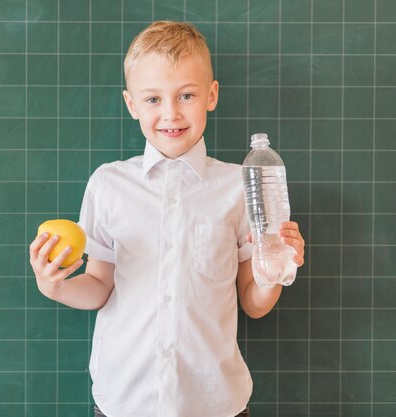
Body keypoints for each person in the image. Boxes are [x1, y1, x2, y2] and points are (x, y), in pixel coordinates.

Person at [29, 21, 305, 417]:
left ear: (211, 95)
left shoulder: (238, 186)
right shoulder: (109, 184)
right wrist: (53, 286)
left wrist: (274, 269)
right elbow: (99, 288)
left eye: (186, 95)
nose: (171, 113)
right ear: (131, 104)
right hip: (124, 402)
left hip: (215, 404)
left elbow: (254, 303)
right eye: (153, 99)